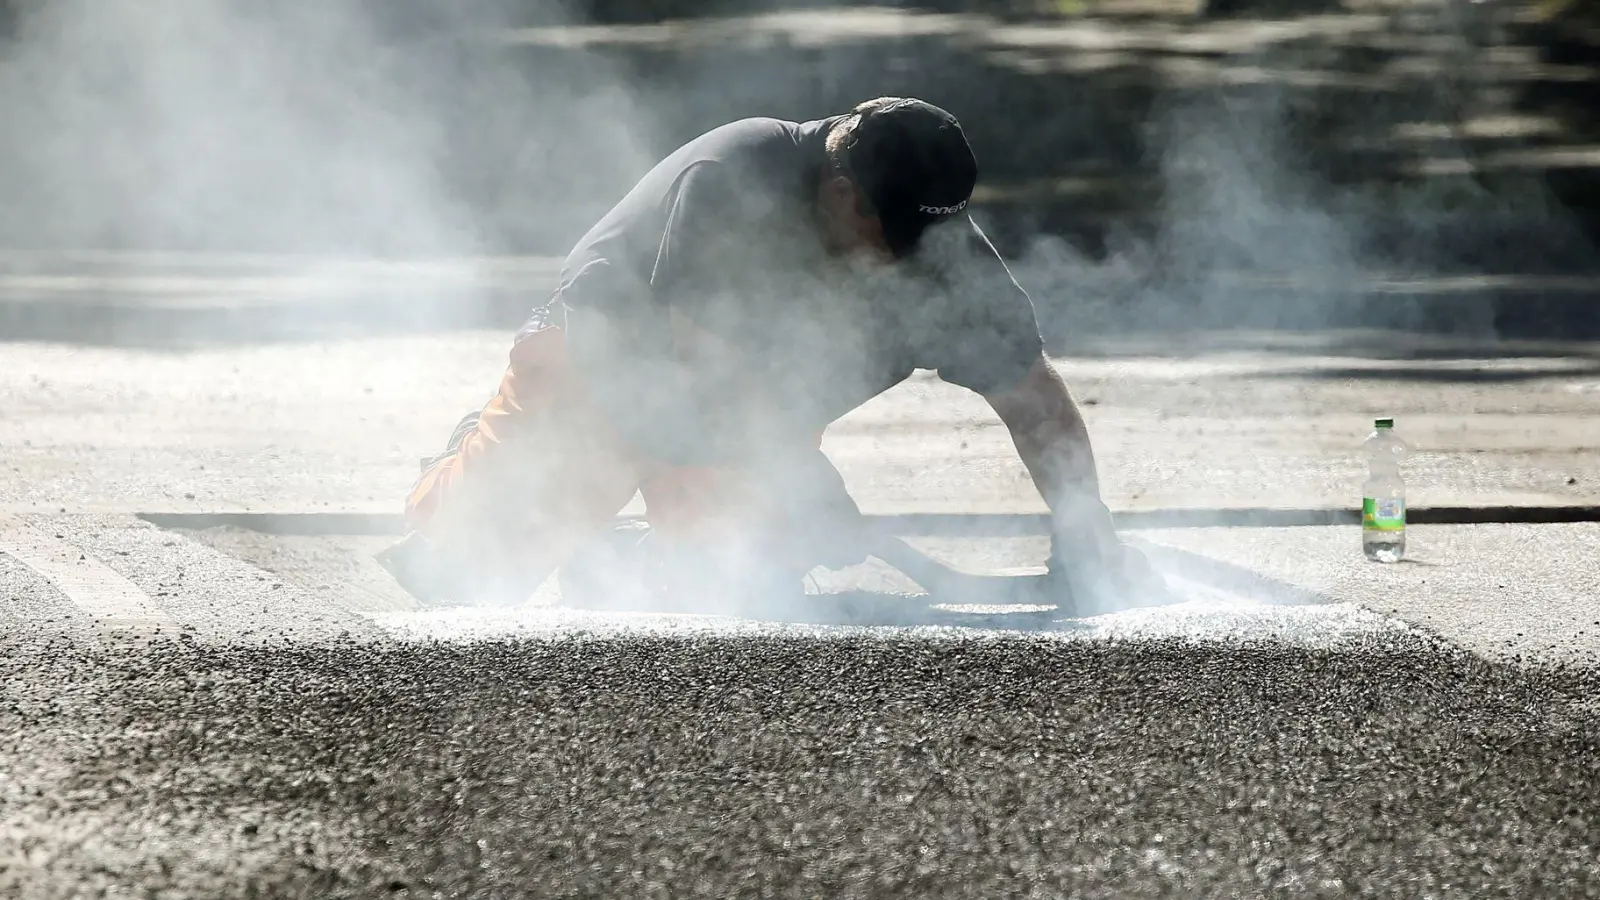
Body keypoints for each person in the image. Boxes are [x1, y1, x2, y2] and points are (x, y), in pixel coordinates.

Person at [377, 96, 1162, 610]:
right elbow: (700, 380)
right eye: (899, 237)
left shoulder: (936, 247)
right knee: (467, 578)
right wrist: (800, 484)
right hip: (603, 375)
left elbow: (1035, 400)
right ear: (841, 191)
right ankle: (464, 467)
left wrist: (1088, 536)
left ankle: (625, 556)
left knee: (733, 594)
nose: (919, 259)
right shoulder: (737, 176)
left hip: (736, 416)